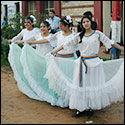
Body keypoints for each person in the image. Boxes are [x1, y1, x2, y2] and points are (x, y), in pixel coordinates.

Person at [45, 11, 124, 118]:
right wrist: (54, 51)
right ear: (81, 25)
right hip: (81, 64)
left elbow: (111, 42)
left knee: (92, 85)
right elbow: (66, 44)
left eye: (87, 21)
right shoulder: (79, 36)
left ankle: (91, 106)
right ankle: (80, 107)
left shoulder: (97, 34)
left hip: (95, 63)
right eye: (83, 22)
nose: (85, 24)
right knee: (80, 85)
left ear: (90, 22)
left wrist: (122, 48)